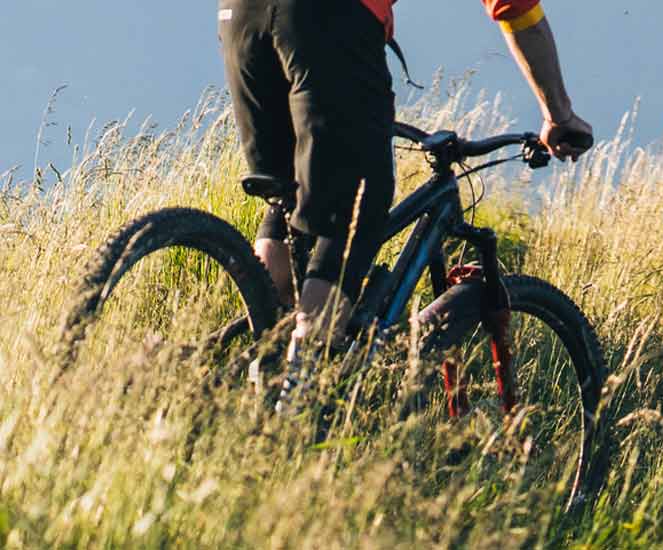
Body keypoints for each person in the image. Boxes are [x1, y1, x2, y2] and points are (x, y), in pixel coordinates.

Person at [219, 0, 592, 347]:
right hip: (326, 17)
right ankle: (302, 386)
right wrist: (558, 115)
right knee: (357, 203)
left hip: (240, 16)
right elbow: (517, 10)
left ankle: (257, 351)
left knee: (289, 197)